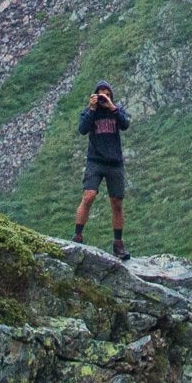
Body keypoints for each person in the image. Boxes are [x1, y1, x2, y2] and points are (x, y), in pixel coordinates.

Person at [74, 82, 130, 258]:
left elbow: (125, 124)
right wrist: (92, 109)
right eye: (101, 94)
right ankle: (77, 236)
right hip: (95, 161)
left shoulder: (116, 110)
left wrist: (112, 107)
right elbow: (82, 129)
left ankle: (118, 244)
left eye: (107, 94)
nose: (103, 97)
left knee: (117, 203)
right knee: (88, 196)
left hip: (115, 162)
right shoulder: (90, 111)